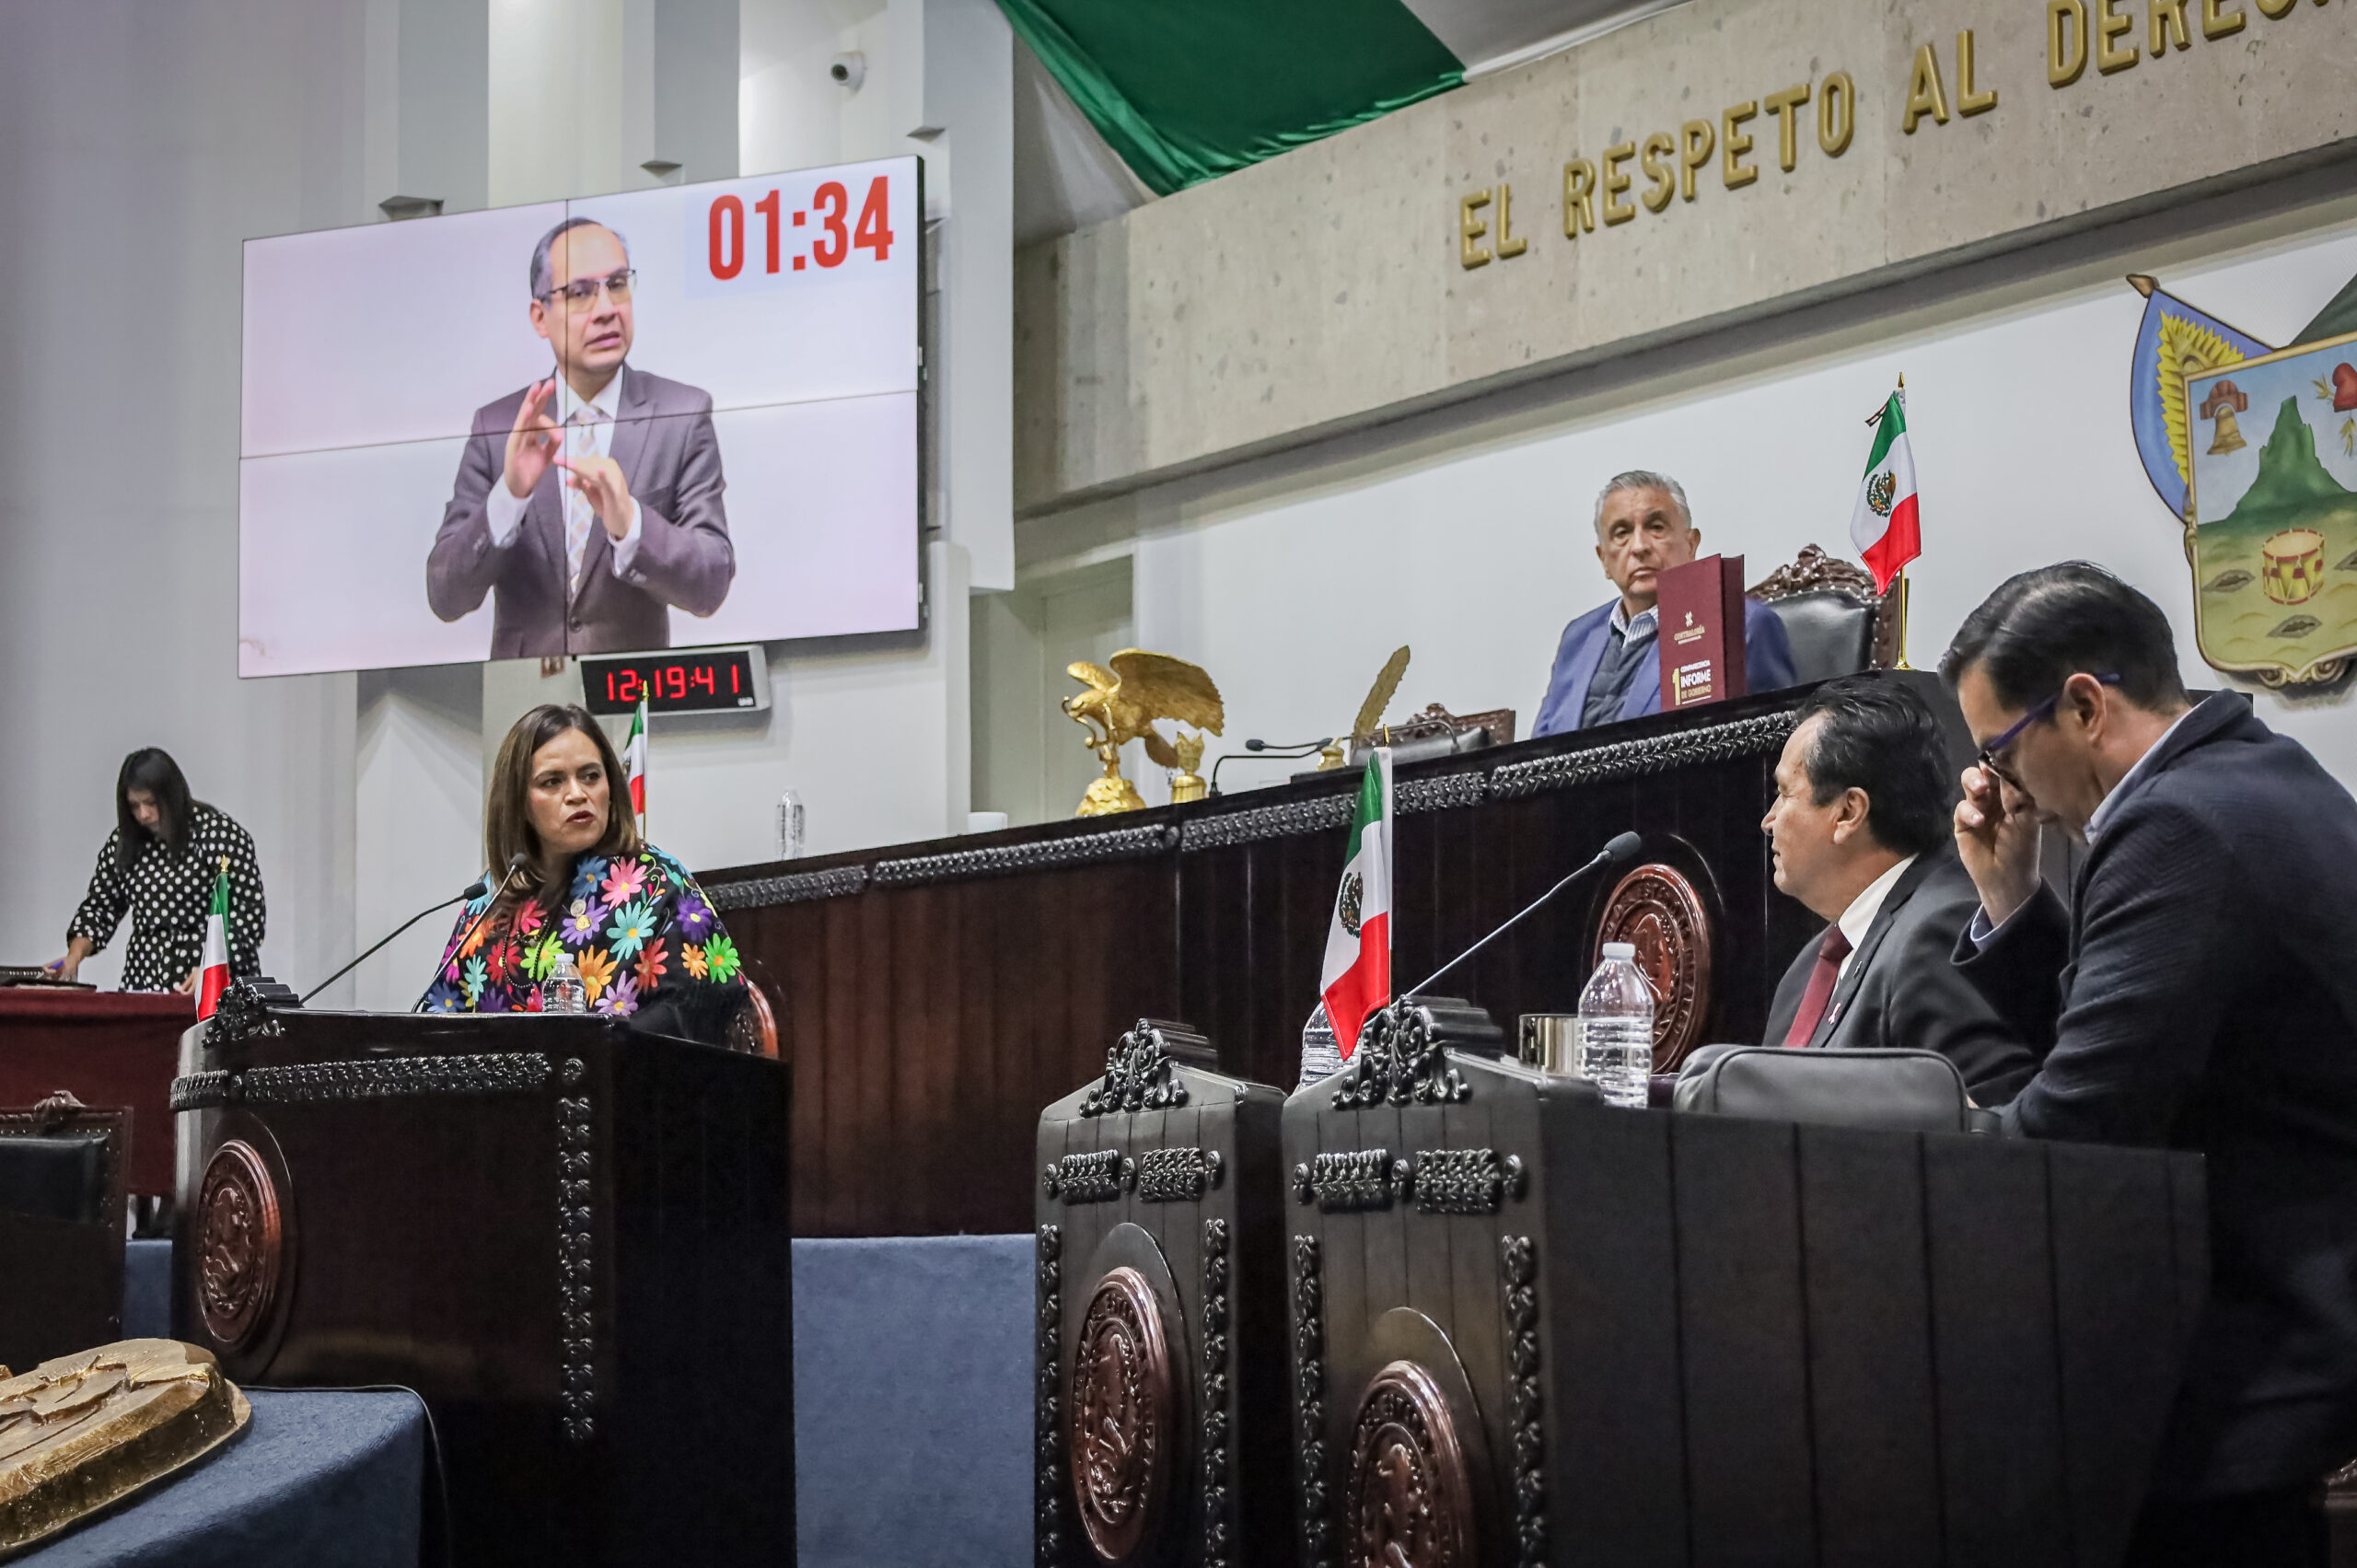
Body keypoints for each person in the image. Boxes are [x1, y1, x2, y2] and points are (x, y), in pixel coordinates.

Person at [1944, 562, 2357, 1565]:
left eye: (1999, 751)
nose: (2000, 786)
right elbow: (2135, 1047)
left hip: (2262, 1372)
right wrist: (2012, 901)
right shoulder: (2265, 770)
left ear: (2084, 705)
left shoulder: (2174, 826)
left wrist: (1912, 1165)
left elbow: (2076, 1136)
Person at [428, 216, 735, 657]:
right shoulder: (498, 427)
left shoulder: (681, 415)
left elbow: (711, 583)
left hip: (629, 692)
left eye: (617, 285)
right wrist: (509, 495)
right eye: (580, 293)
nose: (607, 309)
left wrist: (631, 525)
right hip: (524, 696)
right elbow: (445, 595)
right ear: (540, 317)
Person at [1759, 676, 2035, 1101]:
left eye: (1783, 793)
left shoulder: (1940, 931)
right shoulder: (1808, 968)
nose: (1769, 820)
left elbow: (1986, 1119)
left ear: (1848, 812)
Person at [426, 703, 746, 1035]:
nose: (577, 794)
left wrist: (603, 1049)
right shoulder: (490, 899)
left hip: (622, 1067)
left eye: (591, 776)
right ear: (518, 803)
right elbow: (438, 1015)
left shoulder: (658, 882)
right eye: (552, 782)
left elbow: (704, 1001)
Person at [1532, 470, 1797, 736]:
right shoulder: (1577, 638)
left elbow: (1777, 740)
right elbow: (1538, 748)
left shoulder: (1742, 625)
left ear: (1691, 544)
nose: (1639, 547)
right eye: (1622, 533)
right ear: (1604, 560)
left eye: (1656, 527)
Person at [48, 749, 265, 993]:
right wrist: (74, 957)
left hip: (215, 984)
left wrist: (211, 965)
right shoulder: (126, 841)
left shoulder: (218, 834)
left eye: (151, 803)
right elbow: (100, 908)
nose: (143, 814)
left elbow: (248, 915)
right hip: (145, 983)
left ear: (172, 797)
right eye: (134, 805)